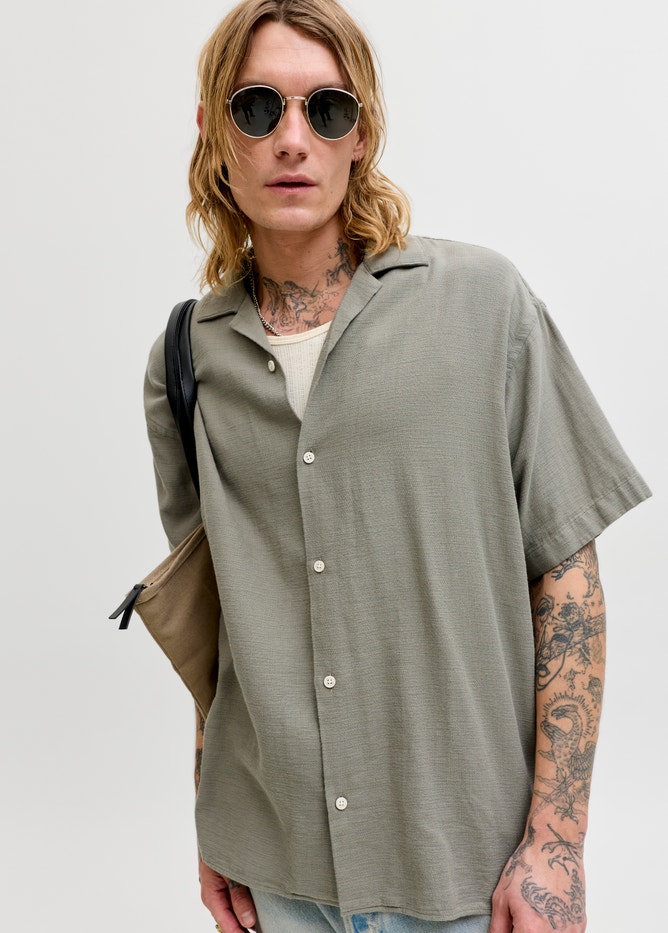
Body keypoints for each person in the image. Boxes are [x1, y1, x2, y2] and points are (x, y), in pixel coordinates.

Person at [142, 1, 651, 931]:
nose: (292, 138)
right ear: (215, 131)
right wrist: (213, 814)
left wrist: (557, 843)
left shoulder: (484, 305)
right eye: (258, 107)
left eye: (326, 109)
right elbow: (213, 628)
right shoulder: (186, 357)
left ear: (362, 134)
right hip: (276, 863)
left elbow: (567, 576)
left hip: (464, 869)